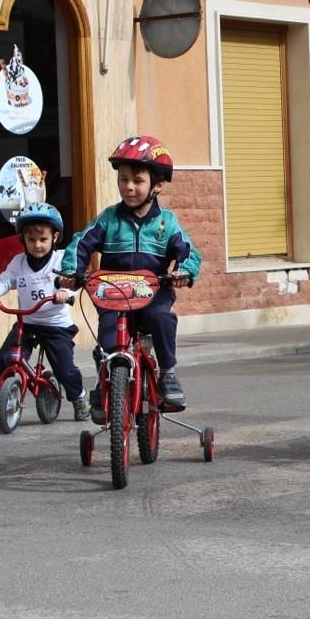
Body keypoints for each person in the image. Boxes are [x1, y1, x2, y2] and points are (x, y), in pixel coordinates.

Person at [60, 136, 201, 422]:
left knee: (162, 319)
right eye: (123, 179)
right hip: (112, 293)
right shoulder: (108, 219)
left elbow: (189, 252)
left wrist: (183, 272)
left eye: (137, 180)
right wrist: (70, 271)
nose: (128, 186)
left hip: (153, 293)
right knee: (107, 337)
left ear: (158, 185)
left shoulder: (167, 223)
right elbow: (81, 243)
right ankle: (105, 381)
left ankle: (169, 375)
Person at [0, 203, 88, 424]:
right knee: (5, 359)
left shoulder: (61, 259)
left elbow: (72, 279)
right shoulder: (19, 262)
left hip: (56, 325)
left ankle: (79, 399)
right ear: (23, 239)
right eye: (31, 240)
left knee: (65, 369)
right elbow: (5, 281)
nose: (37, 245)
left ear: (55, 237)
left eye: (43, 239)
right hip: (27, 322)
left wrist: (65, 291)